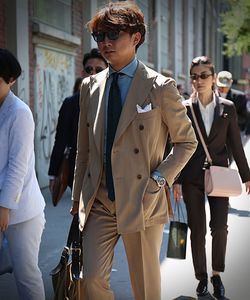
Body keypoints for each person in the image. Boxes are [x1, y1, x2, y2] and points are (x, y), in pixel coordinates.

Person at [71, 2, 197, 299]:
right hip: (99, 201)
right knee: (90, 281)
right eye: (99, 36)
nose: (105, 42)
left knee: (145, 288)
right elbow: (83, 150)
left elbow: (186, 142)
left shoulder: (161, 87)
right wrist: (77, 198)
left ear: (136, 37)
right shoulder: (89, 86)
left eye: (113, 34)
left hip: (142, 200)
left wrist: (159, 179)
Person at [173, 56, 250, 299]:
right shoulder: (184, 108)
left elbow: (236, 145)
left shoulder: (227, 108)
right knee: (196, 230)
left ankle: (216, 274)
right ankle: (201, 277)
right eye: (194, 76)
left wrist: (247, 176)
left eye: (204, 75)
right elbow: (175, 145)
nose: (198, 80)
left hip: (220, 175)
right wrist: (174, 179)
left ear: (214, 78)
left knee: (219, 227)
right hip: (191, 177)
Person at [0, 48, 46, 299]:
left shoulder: (19, 113)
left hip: (22, 212)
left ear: (11, 80)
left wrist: (4, 206)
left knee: (26, 275)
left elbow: (17, 166)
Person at [48, 48, 107, 193]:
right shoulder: (70, 103)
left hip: (108, 173)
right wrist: (54, 173)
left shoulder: (115, 102)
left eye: (98, 70)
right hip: (78, 172)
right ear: (83, 74)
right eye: (89, 69)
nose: (93, 73)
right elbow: (60, 139)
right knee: (80, 214)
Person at [217, 70, 250, 135]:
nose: (223, 88)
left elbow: (244, 118)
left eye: (226, 86)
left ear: (231, 83)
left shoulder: (239, 97)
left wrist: (230, 115)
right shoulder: (211, 96)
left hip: (233, 133)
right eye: (221, 86)